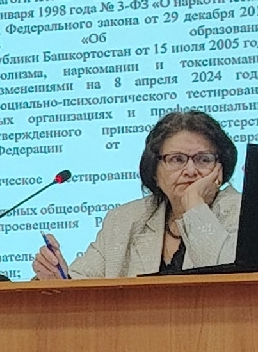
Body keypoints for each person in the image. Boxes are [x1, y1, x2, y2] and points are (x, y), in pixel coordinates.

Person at [33, 109, 241, 279]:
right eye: (177, 159)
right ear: (154, 170)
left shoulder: (242, 213)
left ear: (220, 168)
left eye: (203, 159)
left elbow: (229, 279)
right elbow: (84, 283)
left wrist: (195, 205)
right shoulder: (124, 221)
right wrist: (58, 278)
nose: (190, 170)